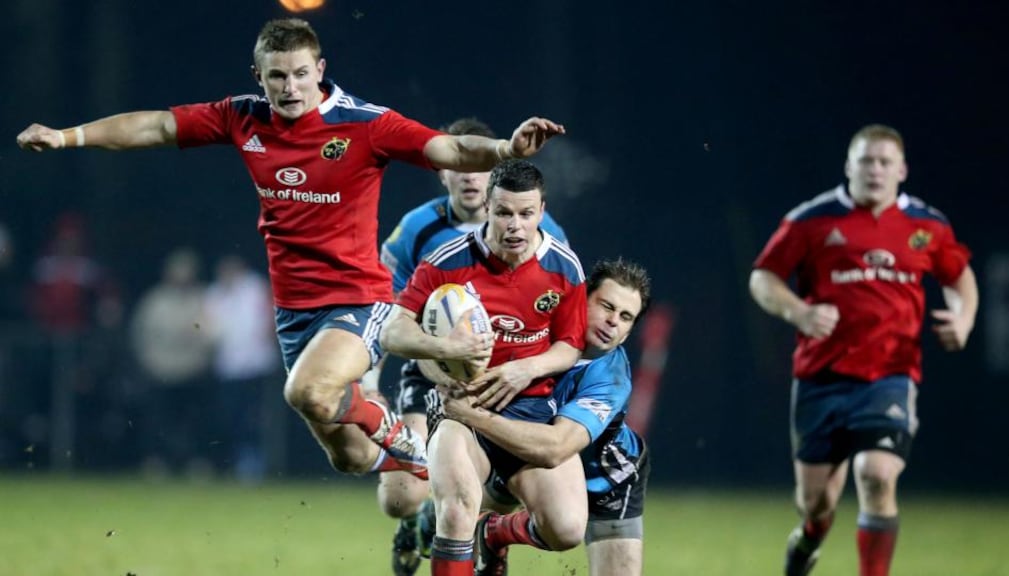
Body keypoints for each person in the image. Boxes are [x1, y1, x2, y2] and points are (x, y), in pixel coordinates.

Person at [16, 18, 566, 482]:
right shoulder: (243, 117)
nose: (290, 87)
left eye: (301, 74)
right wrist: (69, 136)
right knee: (347, 455)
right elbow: (157, 125)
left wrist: (501, 149)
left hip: (358, 299)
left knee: (305, 390)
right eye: (277, 76)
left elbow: (446, 147)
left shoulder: (364, 125)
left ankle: (396, 428)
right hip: (293, 313)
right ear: (259, 77)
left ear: (319, 71)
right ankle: (419, 467)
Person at [748, 124, 978, 576]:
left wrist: (964, 318)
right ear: (849, 165)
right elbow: (762, 277)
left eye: (885, 162)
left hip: (890, 376)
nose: (875, 170)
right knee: (815, 504)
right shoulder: (812, 219)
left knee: (876, 475)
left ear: (902, 169)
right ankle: (809, 539)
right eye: (866, 160)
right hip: (821, 377)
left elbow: (959, 277)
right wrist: (800, 312)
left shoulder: (927, 225)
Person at [375, 117, 570, 576]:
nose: (469, 178)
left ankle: (456, 526)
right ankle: (421, 520)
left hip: (509, 377)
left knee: (481, 492)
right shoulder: (416, 231)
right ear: (443, 172)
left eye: (479, 168)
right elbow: (386, 312)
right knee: (400, 497)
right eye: (461, 168)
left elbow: (561, 323)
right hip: (430, 368)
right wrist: (368, 380)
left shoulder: (548, 236)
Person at [439, 257, 652, 576]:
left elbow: (556, 448)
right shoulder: (535, 328)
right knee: (454, 502)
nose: (613, 322)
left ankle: (494, 531)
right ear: (582, 297)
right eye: (606, 306)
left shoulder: (611, 378)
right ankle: (437, 520)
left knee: (566, 529)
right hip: (521, 457)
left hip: (605, 479)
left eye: (625, 317)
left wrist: (473, 416)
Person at [130, 247, 214, 476]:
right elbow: (141, 334)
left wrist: (201, 358)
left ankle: (196, 463)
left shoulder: (202, 299)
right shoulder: (155, 300)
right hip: (160, 371)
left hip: (192, 371)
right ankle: (156, 462)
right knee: (157, 422)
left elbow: (210, 334)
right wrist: (149, 362)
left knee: (194, 423)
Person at [203, 253, 283, 482]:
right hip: (228, 367)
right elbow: (208, 327)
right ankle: (236, 460)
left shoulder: (255, 288)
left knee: (254, 417)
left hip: (256, 365)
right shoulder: (215, 293)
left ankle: (256, 463)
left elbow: (271, 318)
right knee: (232, 416)